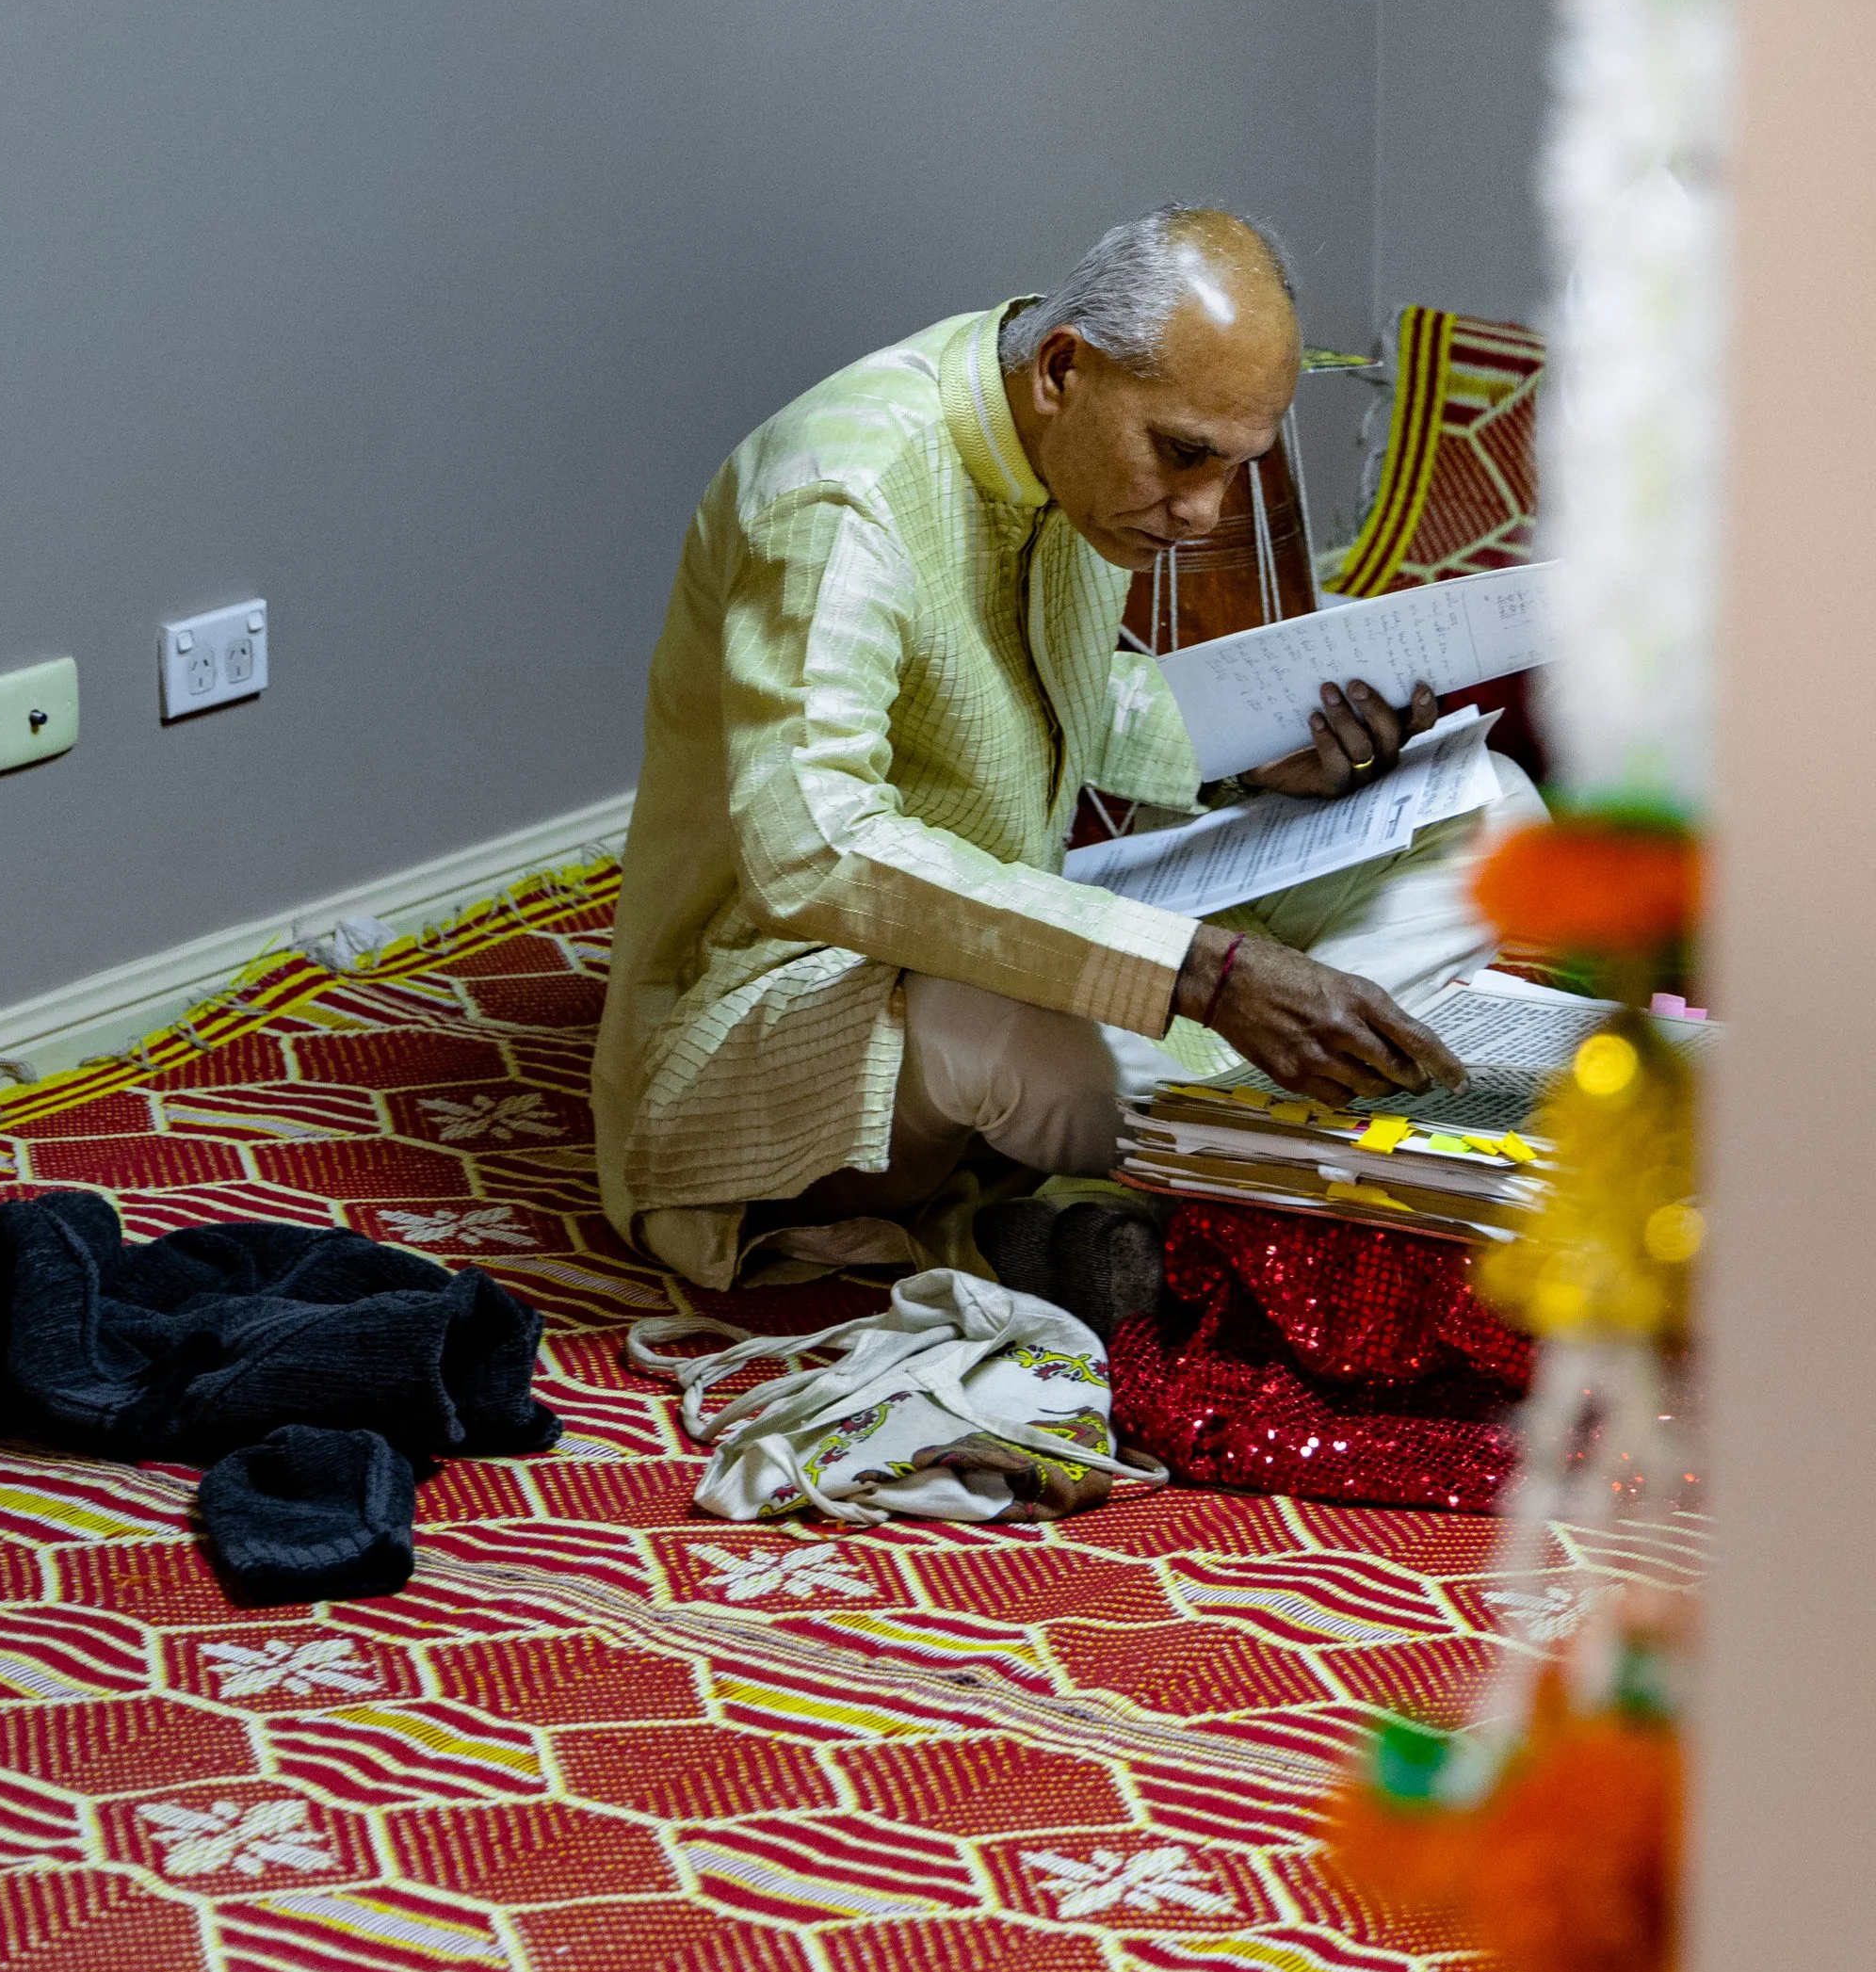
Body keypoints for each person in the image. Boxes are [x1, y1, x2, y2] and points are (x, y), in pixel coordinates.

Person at [591, 207, 1528, 1287]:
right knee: (1014, 1028)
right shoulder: (838, 499)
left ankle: (1207, 1130)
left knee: (1485, 809)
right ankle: (1231, 1157)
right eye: (1184, 456)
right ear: (1063, 369)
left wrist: (1258, 754)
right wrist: (1202, 975)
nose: (1200, 511)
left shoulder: (1058, 443)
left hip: (1014, 913)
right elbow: (817, 853)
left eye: (1234, 467)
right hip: (796, 992)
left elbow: (1045, 687)